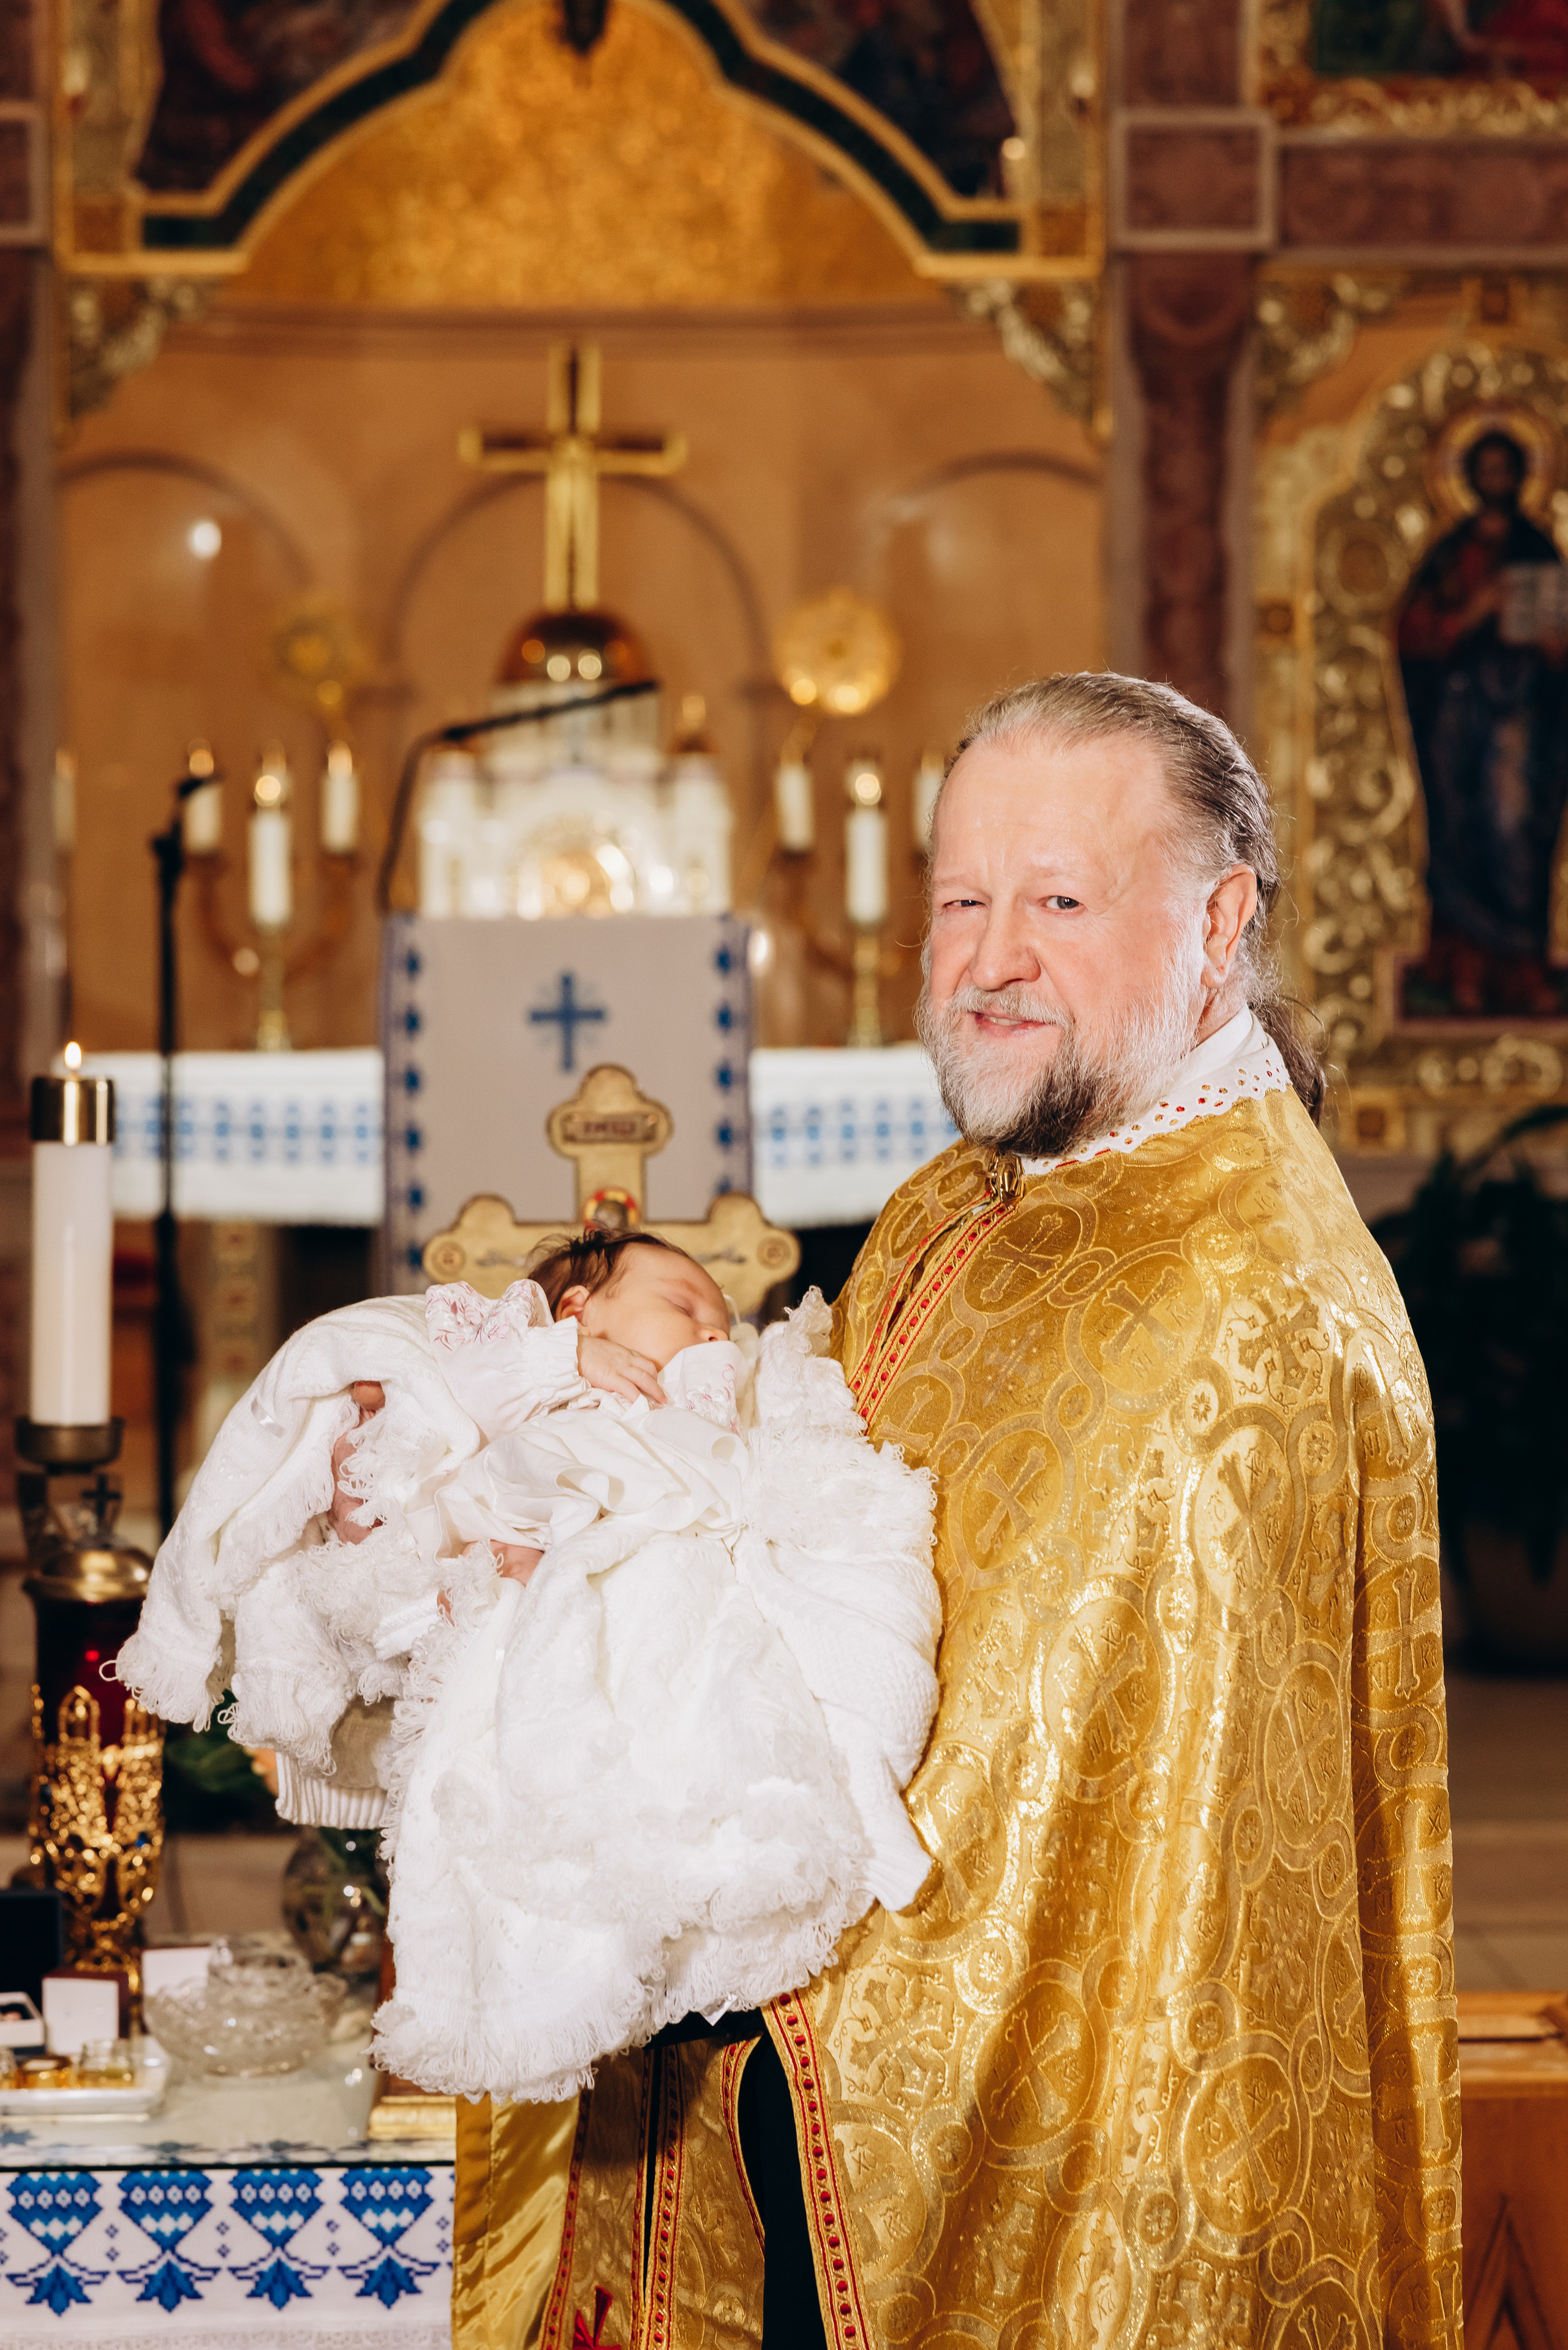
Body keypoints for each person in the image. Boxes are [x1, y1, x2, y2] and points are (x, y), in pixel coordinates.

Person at [461, 672, 1460, 2350]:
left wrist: (685, 1899)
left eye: (1058, 903)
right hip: (768, 2060)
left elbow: (1053, 1830)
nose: (990, 960)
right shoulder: (970, 1191)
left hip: (1012, 2164)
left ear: (1218, 926)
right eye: (961, 903)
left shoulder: (1248, 1310)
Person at [116, 1229, 940, 2105]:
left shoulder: (716, 1387)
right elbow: (451, 1398)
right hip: (552, 1530)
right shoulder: (538, 1364)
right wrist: (564, 1360)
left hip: (671, 1557)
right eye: (683, 1304)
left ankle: (840, 1792)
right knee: (556, 1717)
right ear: (579, 1308)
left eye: (721, 1318)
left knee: (739, 1674)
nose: (712, 1329)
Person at [1397, 426, 1568, 1019]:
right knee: (1464, 828)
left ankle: (1522, 971)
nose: (1497, 480)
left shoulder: (1537, 550)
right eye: (1487, 470)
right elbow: (1414, 632)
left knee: (1517, 828)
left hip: (1524, 717)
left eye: (1506, 469)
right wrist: (1474, 612)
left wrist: (1553, 645)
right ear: (1471, 478)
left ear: (1520, 477)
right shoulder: (1451, 553)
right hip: (1460, 715)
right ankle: (1464, 968)